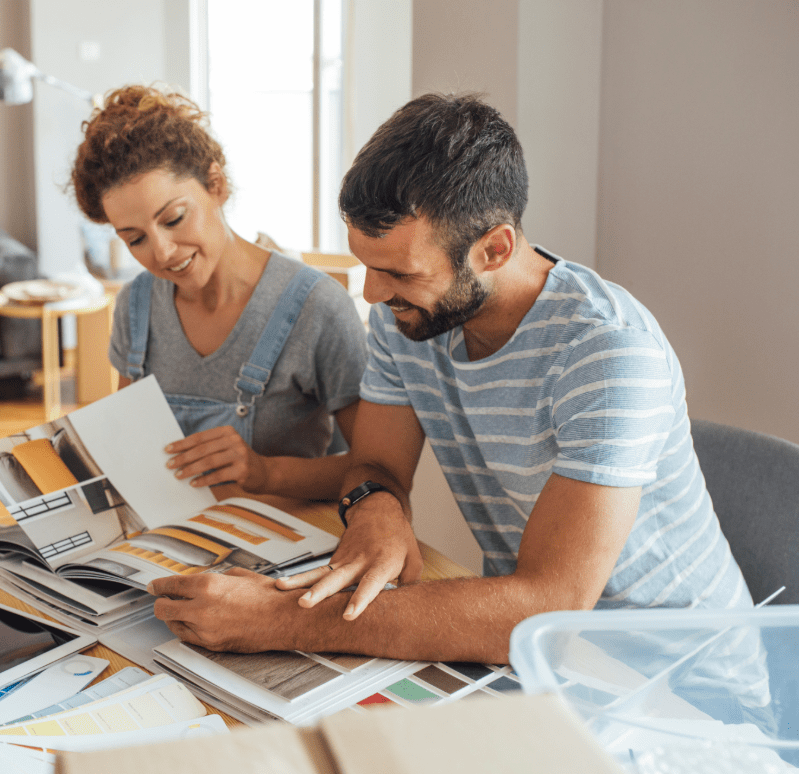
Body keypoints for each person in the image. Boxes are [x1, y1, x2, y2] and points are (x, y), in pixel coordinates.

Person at [148, 93, 758, 668]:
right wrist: (376, 511)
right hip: (543, 662)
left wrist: (284, 620)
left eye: (398, 273)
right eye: (365, 265)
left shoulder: (608, 355)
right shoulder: (407, 315)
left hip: (679, 685)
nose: (372, 293)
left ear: (494, 249)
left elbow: (549, 610)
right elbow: (374, 467)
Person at [71, 84, 367, 500]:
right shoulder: (136, 307)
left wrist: (266, 473)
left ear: (216, 184)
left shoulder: (317, 308)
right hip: (169, 549)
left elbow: (376, 472)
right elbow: (133, 452)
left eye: (173, 218)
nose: (162, 253)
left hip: (280, 552)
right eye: (135, 239)